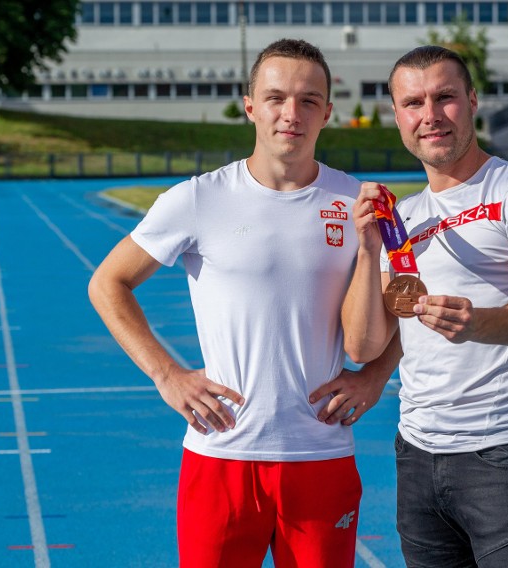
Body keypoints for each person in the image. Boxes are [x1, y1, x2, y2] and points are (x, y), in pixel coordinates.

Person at [89, 39, 372, 568]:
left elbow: (404, 299)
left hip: (320, 455)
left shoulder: (355, 203)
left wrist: (375, 375)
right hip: (222, 453)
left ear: (328, 113)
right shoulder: (198, 199)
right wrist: (166, 375)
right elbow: (108, 283)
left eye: (309, 100)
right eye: (276, 98)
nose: (292, 113)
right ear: (250, 106)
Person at [312, 45, 508, 567]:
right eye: (413, 103)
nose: (429, 115)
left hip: (507, 451)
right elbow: (366, 343)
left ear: (472, 101)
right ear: (397, 116)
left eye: (444, 97)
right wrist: (368, 249)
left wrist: (478, 321)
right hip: (418, 454)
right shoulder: (400, 219)